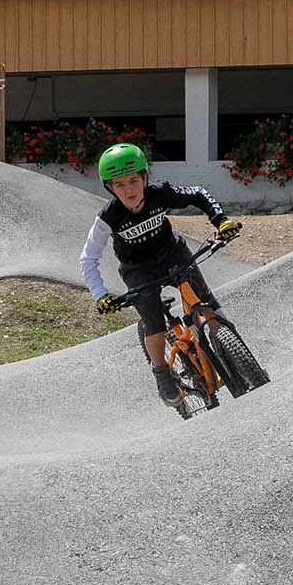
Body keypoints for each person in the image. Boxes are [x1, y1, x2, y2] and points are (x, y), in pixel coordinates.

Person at [79, 142, 240, 408]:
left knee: (206, 304)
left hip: (171, 253)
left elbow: (198, 194)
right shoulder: (108, 217)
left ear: (145, 177)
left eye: (133, 180)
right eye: (119, 185)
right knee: (153, 323)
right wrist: (100, 296)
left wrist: (221, 221)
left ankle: (232, 348)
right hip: (137, 269)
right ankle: (161, 372)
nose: (129, 190)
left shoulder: (160, 193)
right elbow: (88, 258)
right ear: (110, 188)